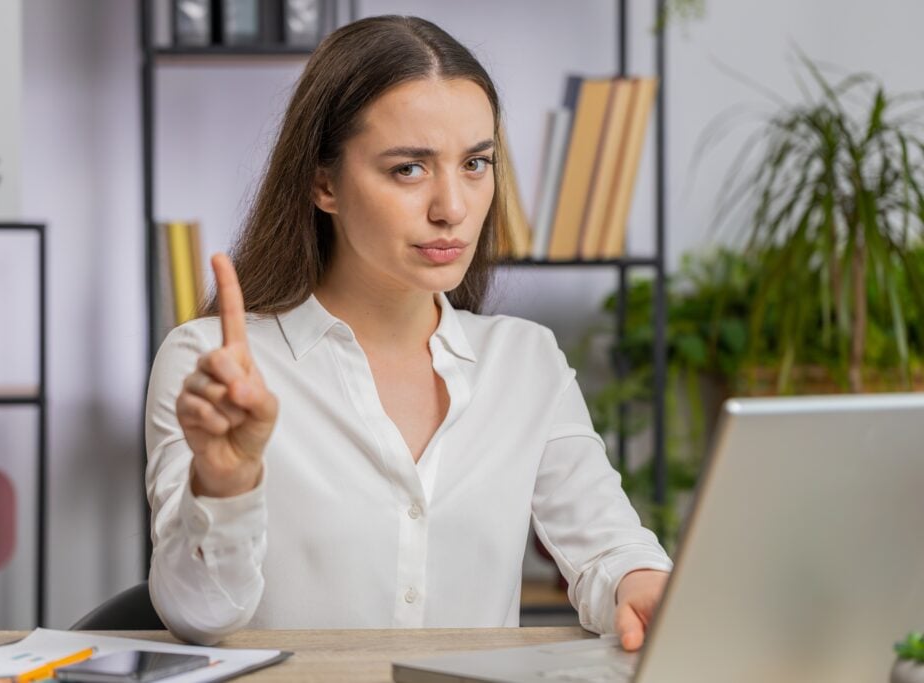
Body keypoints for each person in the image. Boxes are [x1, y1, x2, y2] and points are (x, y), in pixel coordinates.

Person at [144, 14, 672, 647]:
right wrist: (226, 483)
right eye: (408, 170)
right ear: (324, 183)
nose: (452, 207)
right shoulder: (212, 364)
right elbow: (197, 615)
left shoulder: (524, 360)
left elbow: (608, 547)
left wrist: (639, 582)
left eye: (476, 163)